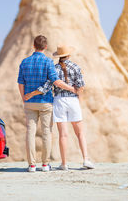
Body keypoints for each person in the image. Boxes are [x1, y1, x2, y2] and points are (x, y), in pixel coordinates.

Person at [25, 45, 94, 170]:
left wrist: (31, 94)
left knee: (63, 135)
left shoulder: (54, 68)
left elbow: (46, 87)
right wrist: (77, 96)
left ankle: (64, 164)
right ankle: (86, 159)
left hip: (58, 101)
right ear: (68, 55)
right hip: (73, 100)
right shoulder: (75, 67)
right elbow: (81, 86)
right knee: (80, 133)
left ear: (58, 56)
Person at [18, 36, 77, 172]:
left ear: (34, 46)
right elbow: (56, 81)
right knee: (46, 132)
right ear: (45, 47)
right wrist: (71, 88)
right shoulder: (48, 62)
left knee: (30, 132)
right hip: (45, 102)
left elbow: (20, 83)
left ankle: (31, 165)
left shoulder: (24, 62)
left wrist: (23, 98)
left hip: (29, 102)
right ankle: (45, 164)